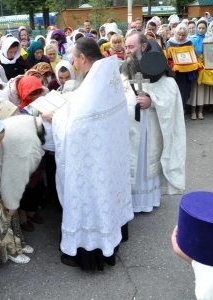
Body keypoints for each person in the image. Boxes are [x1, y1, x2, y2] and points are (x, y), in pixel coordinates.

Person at [51, 37, 133, 271]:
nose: (74, 63)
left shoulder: (97, 78)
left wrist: (55, 117)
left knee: (93, 198)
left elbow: (76, 127)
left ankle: (92, 251)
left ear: (83, 58)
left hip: (93, 162)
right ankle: (112, 237)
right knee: (107, 194)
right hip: (109, 154)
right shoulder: (107, 73)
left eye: (74, 59)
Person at [122, 32, 186, 212]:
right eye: (126, 47)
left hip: (149, 128)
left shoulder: (159, 69)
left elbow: (170, 93)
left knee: (145, 161)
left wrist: (152, 101)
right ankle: (131, 202)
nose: (127, 51)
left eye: (131, 47)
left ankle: (147, 201)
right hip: (129, 129)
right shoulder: (126, 68)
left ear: (143, 47)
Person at [0, 115, 44, 264]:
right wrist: (11, 203)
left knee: (9, 217)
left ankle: (17, 245)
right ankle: (10, 251)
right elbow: (13, 176)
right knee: (3, 220)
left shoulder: (27, 123)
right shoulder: (25, 139)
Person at [166, 23, 195, 109]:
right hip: (174, 73)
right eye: (179, 34)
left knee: (184, 92)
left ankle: (181, 111)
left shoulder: (189, 42)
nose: (181, 37)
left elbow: (193, 56)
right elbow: (167, 57)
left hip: (185, 73)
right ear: (176, 33)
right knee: (173, 92)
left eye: (183, 35)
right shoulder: (170, 42)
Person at [190, 18, 213, 120]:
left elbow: (211, 54)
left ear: (206, 29)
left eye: (203, 28)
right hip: (194, 68)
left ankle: (200, 111)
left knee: (201, 91)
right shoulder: (191, 39)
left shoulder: (208, 40)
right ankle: (193, 112)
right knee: (194, 90)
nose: (201, 30)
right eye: (199, 28)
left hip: (204, 68)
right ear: (196, 28)